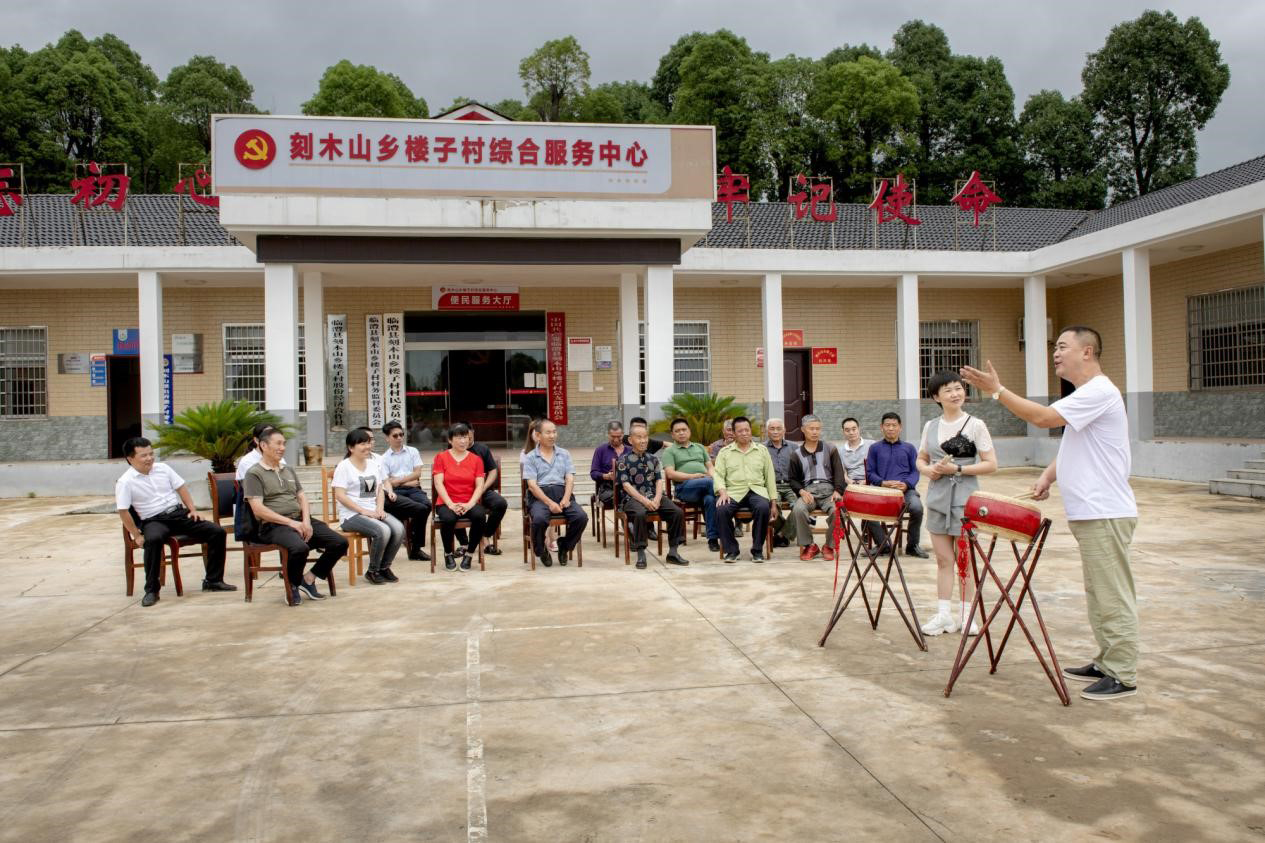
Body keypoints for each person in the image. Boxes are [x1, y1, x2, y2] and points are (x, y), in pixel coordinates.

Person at [961, 326, 1140, 702]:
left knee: (1112, 593)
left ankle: (1122, 673)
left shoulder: (1098, 391)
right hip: (1091, 512)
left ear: (1087, 352)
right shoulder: (1085, 396)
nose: (1055, 353)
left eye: (1062, 346)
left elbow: (1042, 418)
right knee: (1098, 592)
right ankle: (1107, 661)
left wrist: (997, 391)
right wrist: (1047, 476)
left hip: (1104, 511)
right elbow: (1076, 444)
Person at [914, 372, 997, 636]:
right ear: (936, 397)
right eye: (948, 390)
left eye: (958, 388)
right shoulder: (930, 426)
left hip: (965, 500)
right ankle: (943, 616)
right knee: (943, 559)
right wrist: (927, 470)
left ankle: (966, 615)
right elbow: (921, 458)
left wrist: (958, 470)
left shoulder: (975, 425)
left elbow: (991, 464)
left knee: (964, 560)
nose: (955, 394)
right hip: (938, 498)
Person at [116, 437, 234, 606]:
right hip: (154, 520)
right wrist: (136, 535)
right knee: (153, 540)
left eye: (151, 454)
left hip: (178, 515)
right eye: (144, 456)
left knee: (217, 531)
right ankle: (151, 590)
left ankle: (213, 581)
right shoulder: (125, 481)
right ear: (130, 458)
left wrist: (192, 510)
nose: (149, 458)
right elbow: (123, 511)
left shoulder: (163, 468)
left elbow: (181, 487)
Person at [244, 428, 347, 604]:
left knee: (339, 542)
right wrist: (292, 523)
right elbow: (258, 509)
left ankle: (308, 579)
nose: (282, 448)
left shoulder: (288, 469)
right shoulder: (254, 473)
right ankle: (292, 584)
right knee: (300, 548)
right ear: (263, 445)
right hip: (274, 525)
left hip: (299, 519)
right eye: (278, 444)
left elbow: (302, 497)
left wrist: (306, 521)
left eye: (284, 444)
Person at [332, 428, 405, 585]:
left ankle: (384, 567)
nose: (367, 447)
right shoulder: (344, 467)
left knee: (399, 529)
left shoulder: (373, 464)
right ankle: (373, 571)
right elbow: (340, 495)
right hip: (351, 515)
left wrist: (379, 508)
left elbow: (379, 489)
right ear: (351, 448)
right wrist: (363, 511)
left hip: (373, 511)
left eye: (368, 443)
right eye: (362, 444)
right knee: (383, 530)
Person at [616, 423, 689, 569]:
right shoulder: (623, 460)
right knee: (640, 513)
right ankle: (641, 553)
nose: (643, 440)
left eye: (645, 437)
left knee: (677, 512)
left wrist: (656, 498)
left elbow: (658, 480)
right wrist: (644, 500)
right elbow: (626, 485)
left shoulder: (653, 459)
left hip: (653, 496)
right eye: (639, 437)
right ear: (630, 440)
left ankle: (673, 552)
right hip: (632, 498)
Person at [523, 419, 588, 567]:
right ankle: (541, 550)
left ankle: (564, 545)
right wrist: (550, 503)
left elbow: (570, 478)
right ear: (538, 435)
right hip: (540, 496)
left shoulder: (564, 454)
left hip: (562, 492)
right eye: (548, 432)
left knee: (581, 517)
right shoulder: (531, 457)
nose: (552, 435)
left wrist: (566, 498)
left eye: (554, 432)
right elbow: (532, 486)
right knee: (539, 519)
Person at [712, 417, 778, 563]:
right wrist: (722, 492)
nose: (744, 433)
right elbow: (718, 475)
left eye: (747, 430)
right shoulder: (725, 452)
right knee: (721, 510)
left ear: (750, 431)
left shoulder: (762, 451)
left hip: (757, 491)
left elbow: (770, 477)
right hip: (733, 492)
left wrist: (773, 503)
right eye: (740, 431)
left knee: (763, 508)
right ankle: (732, 550)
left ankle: (757, 550)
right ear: (734, 433)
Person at [864, 413, 928, 558]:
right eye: (887, 425)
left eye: (894, 425)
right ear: (881, 427)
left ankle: (912, 546)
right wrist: (882, 482)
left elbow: (915, 471)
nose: (891, 428)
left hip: (906, 491)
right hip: (882, 491)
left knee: (917, 508)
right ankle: (883, 546)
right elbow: (870, 472)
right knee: (867, 511)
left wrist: (906, 484)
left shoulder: (909, 448)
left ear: (900, 427)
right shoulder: (874, 448)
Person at [787, 415, 848, 562]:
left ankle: (829, 546)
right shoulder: (796, 454)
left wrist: (838, 491)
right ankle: (810, 545)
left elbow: (839, 472)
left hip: (829, 491)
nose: (815, 432)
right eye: (811, 429)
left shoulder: (830, 448)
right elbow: (793, 479)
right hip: (809, 492)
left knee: (838, 511)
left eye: (818, 429)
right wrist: (801, 491)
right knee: (798, 510)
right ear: (803, 430)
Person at [432, 422, 489, 571]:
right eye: (459, 437)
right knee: (448, 518)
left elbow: (480, 485)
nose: (463, 441)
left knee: (480, 516)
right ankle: (448, 553)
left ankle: (469, 553)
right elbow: (438, 483)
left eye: (465, 437)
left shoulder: (476, 459)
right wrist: (450, 504)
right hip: (446, 502)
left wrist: (470, 504)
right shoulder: (441, 457)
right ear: (450, 440)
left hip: (469, 501)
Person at [661, 418, 720, 552]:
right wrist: (695, 476)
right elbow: (670, 474)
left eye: (684, 430)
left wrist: (712, 476)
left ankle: (713, 539)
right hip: (684, 488)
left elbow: (710, 467)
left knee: (710, 499)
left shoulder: (699, 447)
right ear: (672, 435)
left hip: (705, 486)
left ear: (689, 431)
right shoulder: (669, 451)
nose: (681, 433)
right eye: (677, 431)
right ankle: (727, 518)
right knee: (709, 484)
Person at [380, 420, 432, 562]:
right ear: (387, 438)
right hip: (396, 491)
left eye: (401, 434)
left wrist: (397, 480)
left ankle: (410, 538)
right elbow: (387, 482)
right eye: (395, 435)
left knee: (427, 505)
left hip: (414, 489)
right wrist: (405, 481)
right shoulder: (383, 458)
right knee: (419, 509)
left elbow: (417, 473)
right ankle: (415, 547)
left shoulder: (412, 451)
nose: (399, 438)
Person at [465, 424, 509, 556]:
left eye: (468, 435)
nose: (465, 439)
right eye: (462, 436)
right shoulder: (452, 451)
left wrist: (482, 488)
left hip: (483, 490)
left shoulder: (482, 449)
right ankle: (463, 543)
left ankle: (485, 535)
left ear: (473, 432)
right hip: (462, 492)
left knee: (500, 503)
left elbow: (493, 471)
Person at [520, 420, 559, 555]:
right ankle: (541, 541)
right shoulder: (527, 454)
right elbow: (529, 482)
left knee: (555, 500)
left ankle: (552, 537)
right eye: (534, 432)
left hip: (552, 490)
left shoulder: (556, 452)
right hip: (535, 489)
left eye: (553, 432)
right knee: (541, 512)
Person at [764, 418, 797, 548]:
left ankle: (782, 534)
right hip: (772, 486)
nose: (775, 431)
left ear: (784, 430)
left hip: (791, 485)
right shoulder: (761, 448)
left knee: (800, 508)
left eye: (779, 429)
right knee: (772, 507)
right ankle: (785, 532)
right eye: (772, 429)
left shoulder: (794, 447)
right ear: (767, 431)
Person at [590, 420, 628, 507]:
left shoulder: (630, 450)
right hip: (608, 488)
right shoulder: (600, 450)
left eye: (619, 436)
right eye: (613, 436)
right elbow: (593, 473)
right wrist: (606, 476)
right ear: (608, 435)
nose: (616, 439)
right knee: (619, 498)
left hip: (628, 486)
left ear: (623, 434)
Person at [840, 418, 871, 486]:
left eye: (854, 429)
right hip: (850, 483)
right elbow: (843, 472)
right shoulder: (841, 451)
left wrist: (866, 481)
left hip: (869, 482)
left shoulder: (871, 445)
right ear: (843, 432)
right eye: (847, 430)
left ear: (859, 429)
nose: (851, 433)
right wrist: (850, 482)